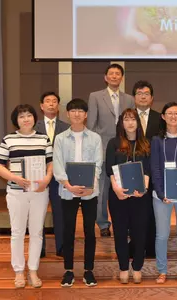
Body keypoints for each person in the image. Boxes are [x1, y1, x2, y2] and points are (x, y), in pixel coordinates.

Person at [0, 104, 53, 288]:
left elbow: (50, 163)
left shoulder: (43, 138)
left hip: (39, 192)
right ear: (16, 120)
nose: (26, 119)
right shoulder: (8, 139)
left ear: (35, 118)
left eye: (29, 115)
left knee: (36, 232)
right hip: (16, 192)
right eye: (21, 116)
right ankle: (19, 272)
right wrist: (14, 178)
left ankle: (33, 270)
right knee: (18, 232)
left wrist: (46, 179)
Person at [53, 99, 103, 287]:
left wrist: (91, 184)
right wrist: (68, 185)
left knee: (90, 231)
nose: (76, 114)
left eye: (80, 111)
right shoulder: (60, 138)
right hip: (67, 190)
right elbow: (58, 165)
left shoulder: (95, 138)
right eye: (73, 111)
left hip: (90, 190)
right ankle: (68, 270)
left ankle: (89, 270)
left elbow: (98, 164)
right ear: (67, 114)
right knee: (68, 230)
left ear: (86, 114)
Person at [87, 63, 135, 237]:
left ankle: (124, 222)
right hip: (102, 148)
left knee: (124, 187)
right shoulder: (95, 96)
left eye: (118, 74)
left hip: (123, 148)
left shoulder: (129, 99)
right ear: (105, 77)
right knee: (102, 189)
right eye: (111, 74)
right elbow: (91, 125)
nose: (114, 76)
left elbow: (132, 125)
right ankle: (103, 224)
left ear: (121, 78)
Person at [150, 102, 177, 284]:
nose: (173, 116)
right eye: (169, 113)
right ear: (163, 116)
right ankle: (162, 271)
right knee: (162, 234)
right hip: (162, 196)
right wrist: (161, 193)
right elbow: (155, 168)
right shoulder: (157, 140)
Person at [106, 108, 151, 284]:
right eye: (126, 119)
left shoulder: (145, 143)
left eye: (133, 119)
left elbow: (147, 169)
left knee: (140, 232)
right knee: (120, 232)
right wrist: (117, 189)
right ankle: (123, 267)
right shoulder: (113, 143)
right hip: (119, 196)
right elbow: (109, 168)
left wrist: (144, 188)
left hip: (141, 196)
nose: (130, 123)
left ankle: (138, 267)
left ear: (138, 123)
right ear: (121, 123)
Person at [34, 91, 70, 258]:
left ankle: (61, 246)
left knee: (59, 211)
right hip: (38, 176)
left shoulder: (66, 127)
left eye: (54, 101)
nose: (51, 104)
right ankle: (39, 248)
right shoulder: (34, 127)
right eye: (47, 101)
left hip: (58, 177)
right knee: (38, 211)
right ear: (41, 106)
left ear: (58, 106)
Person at [132, 80, 160, 258]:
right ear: (134, 97)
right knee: (134, 210)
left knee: (153, 210)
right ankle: (134, 246)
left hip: (155, 169)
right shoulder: (127, 117)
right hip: (134, 170)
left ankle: (151, 247)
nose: (143, 96)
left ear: (152, 98)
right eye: (139, 93)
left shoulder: (160, 118)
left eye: (146, 93)